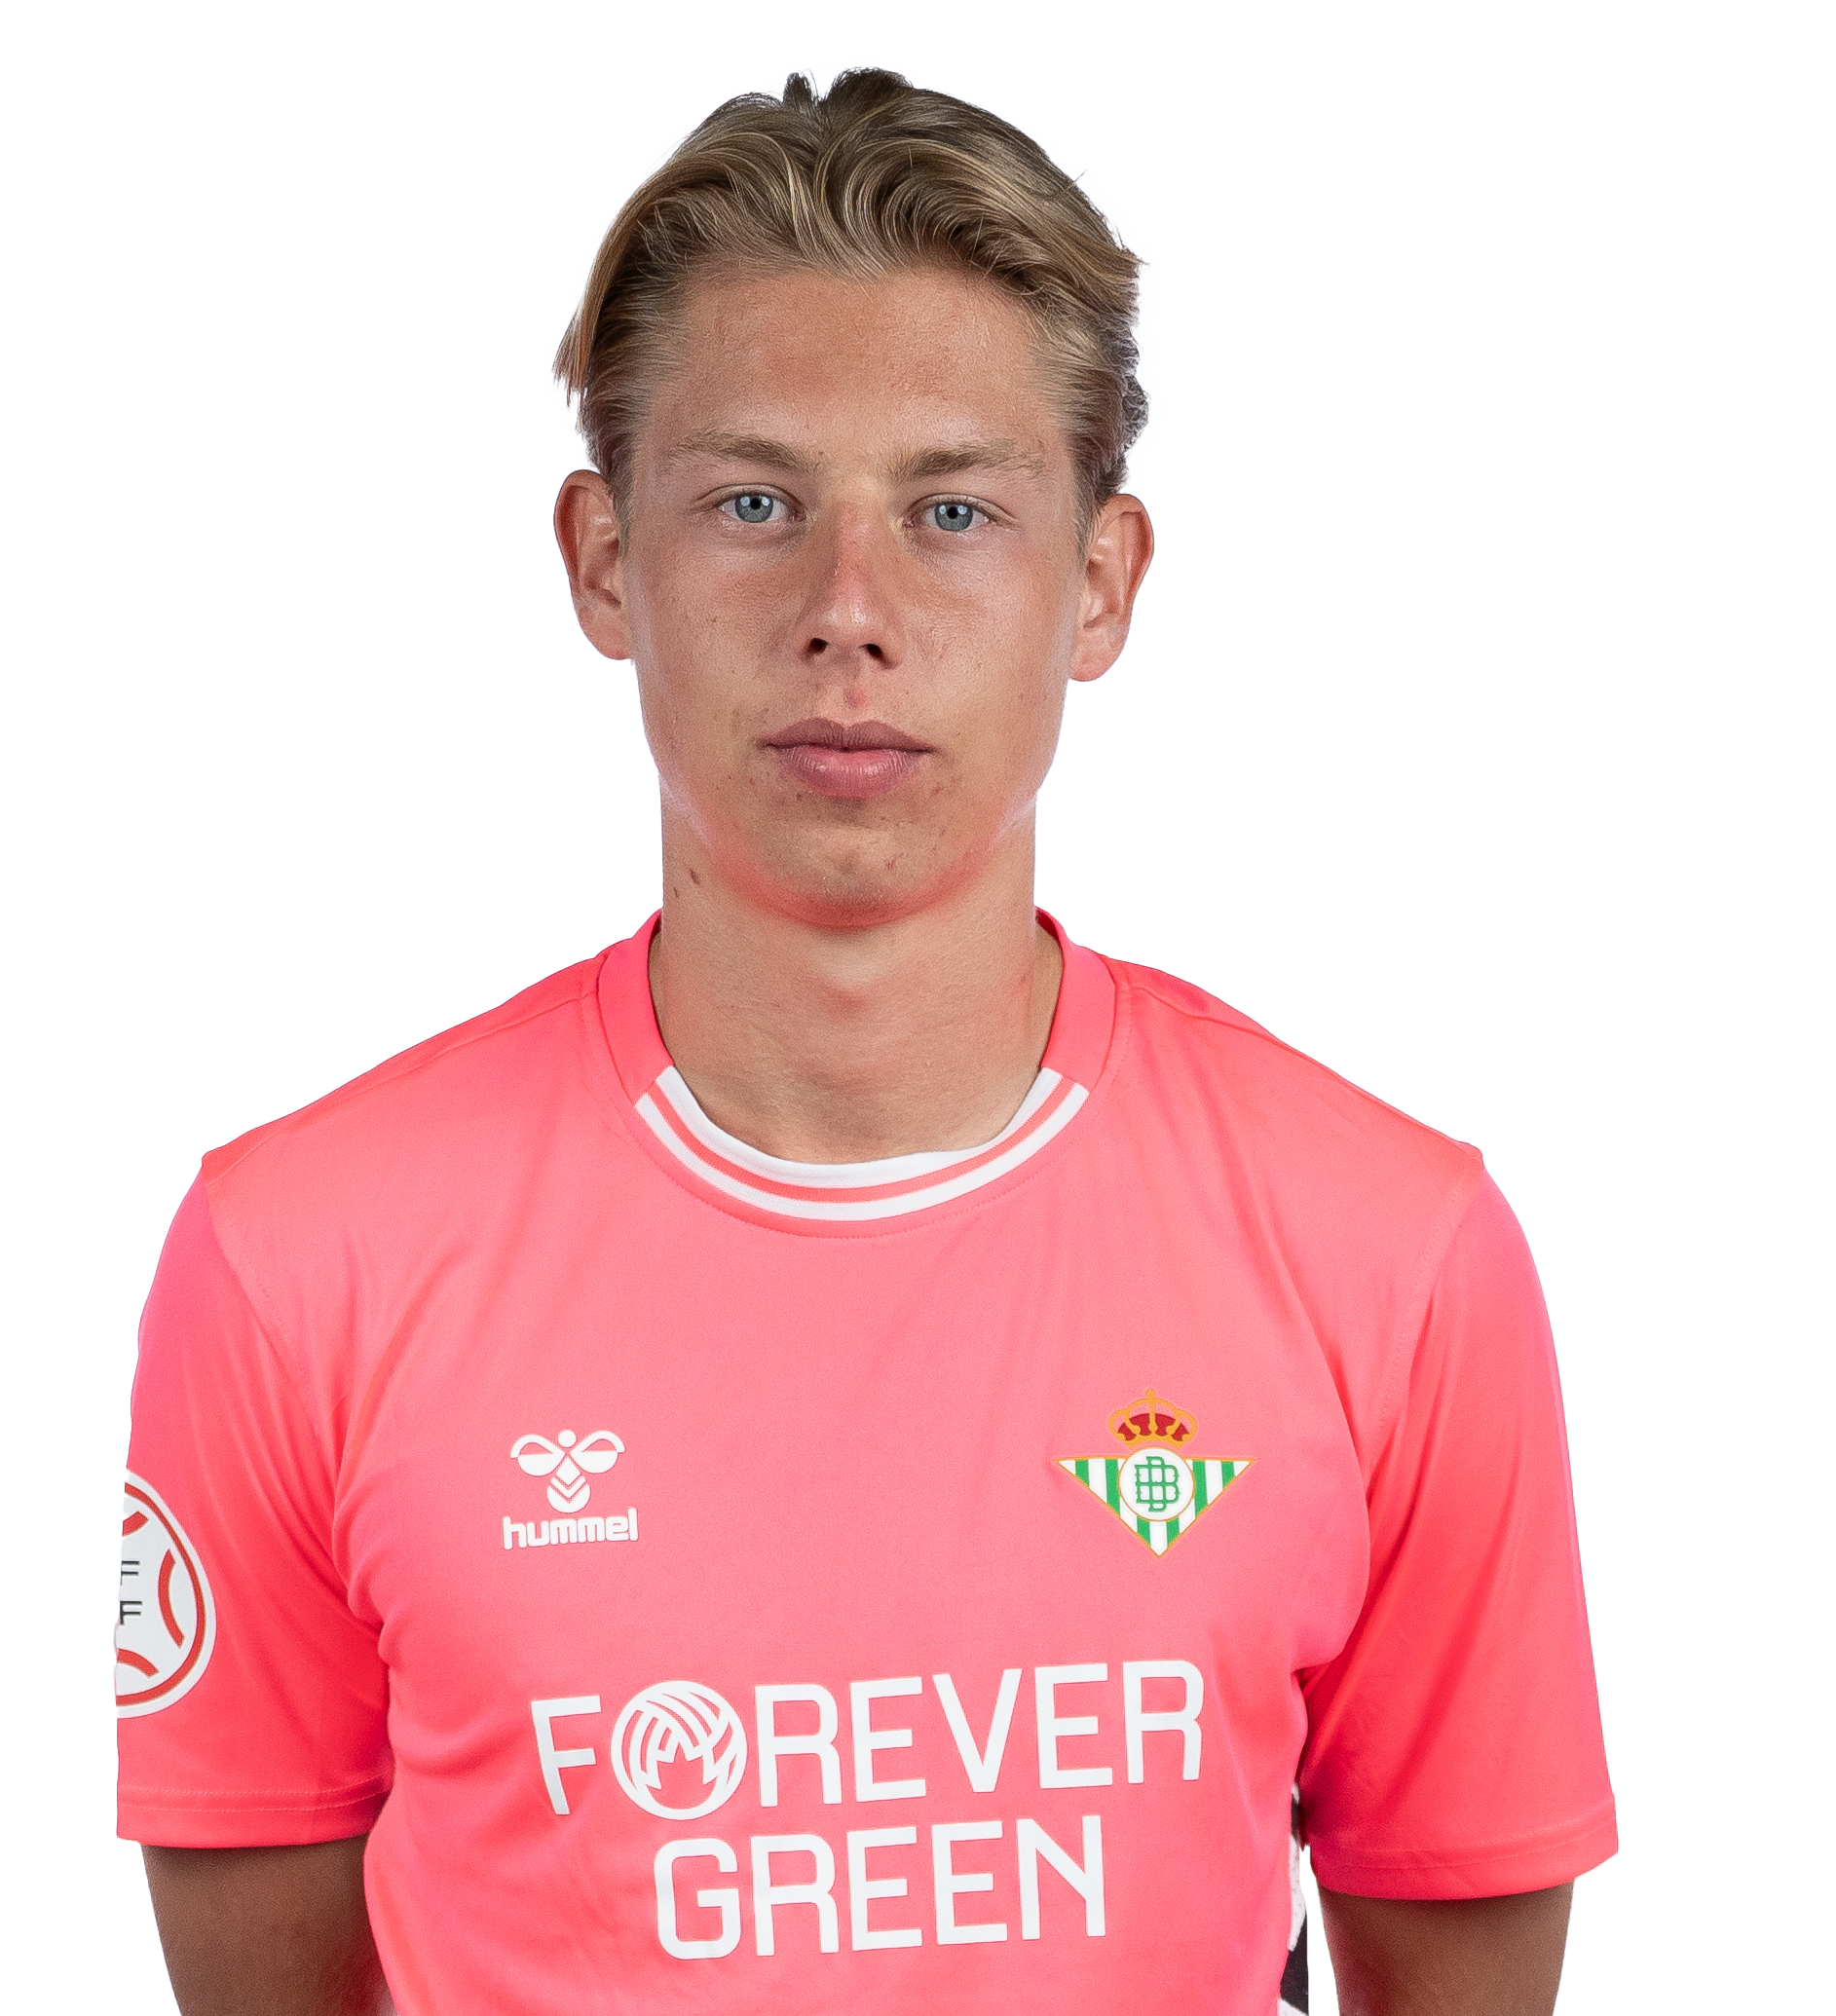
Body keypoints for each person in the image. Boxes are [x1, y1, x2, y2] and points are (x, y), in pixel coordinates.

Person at [116, 66, 1615, 2016]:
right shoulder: (296, 1260)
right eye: (753, 503)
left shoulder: (1394, 1256)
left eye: (952, 510)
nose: (849, 610)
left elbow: (1459, 1954)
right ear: (602, 560)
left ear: (1098, 582)